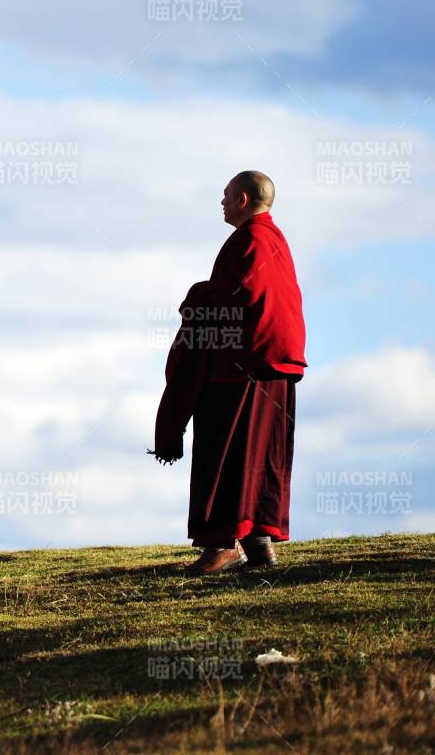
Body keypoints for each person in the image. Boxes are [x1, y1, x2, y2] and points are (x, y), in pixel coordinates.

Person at [152, 170, 307, 576]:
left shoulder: (252, 239)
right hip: (272, 363)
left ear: (242, 199)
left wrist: (198, 295)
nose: (220, 203)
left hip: (244, 366)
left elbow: (242, 297)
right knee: (257, 455)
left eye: (224, 196)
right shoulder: (273, 239)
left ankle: (221, 545)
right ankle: (258, 545)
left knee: (224, 452)